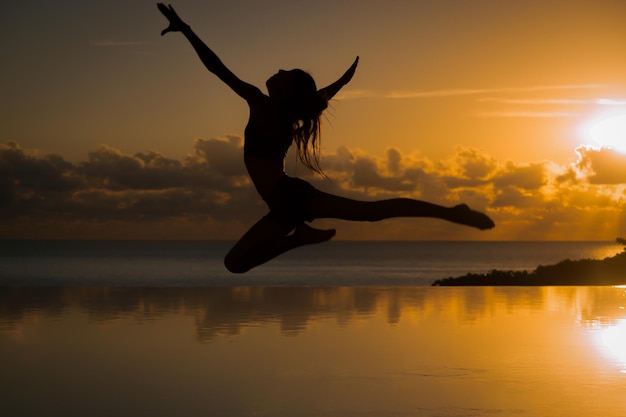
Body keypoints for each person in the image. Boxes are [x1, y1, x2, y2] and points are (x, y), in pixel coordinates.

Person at [157, 3, 495, 273]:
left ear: (287, 90)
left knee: (371, 213)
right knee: (236, 264)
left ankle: (452, 212)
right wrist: (341, 83)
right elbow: (320, 96)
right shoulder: (287, 112)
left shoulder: (263, 105)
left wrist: (187, 30)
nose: (278, 71)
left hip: (288, 198)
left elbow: (217, 67)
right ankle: (300, 238)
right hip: (283, 203)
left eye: (284, 73)